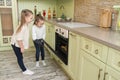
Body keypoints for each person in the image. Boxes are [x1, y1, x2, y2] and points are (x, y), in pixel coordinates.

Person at [11, 9, 34, 75]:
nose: (32, 19)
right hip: (16, 44)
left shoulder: (25, 24)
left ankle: (23, 68)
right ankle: (24, 70)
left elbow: (24, 37)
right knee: (19, 57)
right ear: (25, 18)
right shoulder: (22, 27)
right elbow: (19, 39)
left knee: (20, 56)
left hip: (17, 44)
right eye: (31, 18)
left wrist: (25, 45)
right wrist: (22, 47)